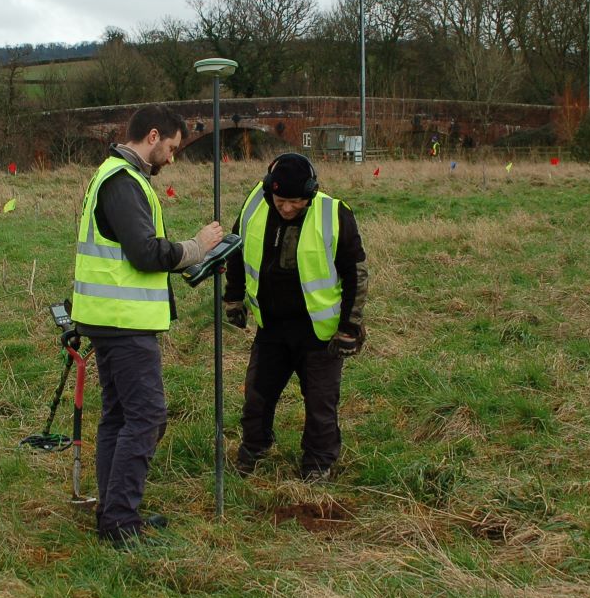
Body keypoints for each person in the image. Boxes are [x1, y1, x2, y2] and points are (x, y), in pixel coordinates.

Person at [71, 105, 223, 546]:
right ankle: (119, 521)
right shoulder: (122, 182)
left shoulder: (116, 176)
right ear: (153, 136)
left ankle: (113, 512)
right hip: (123, 323)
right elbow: (145, 253)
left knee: (119, 416)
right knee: (147, 416)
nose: (173, 158)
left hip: (111, 320)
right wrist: (197, 247)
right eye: (172, 148)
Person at [222, 152, 368, 481]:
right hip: (271, 327)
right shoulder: (253, 206)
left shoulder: (334, 214)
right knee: (257, 395)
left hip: (319, 334)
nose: (287, 208)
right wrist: (232, 298)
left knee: (320, 403)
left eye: (296, 201)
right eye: (280, 200)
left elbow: (356, 274)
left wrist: (350, 327)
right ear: (269, 192)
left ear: (311, 194)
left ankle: (318, 464)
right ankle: (253, 450)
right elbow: (235, 251)